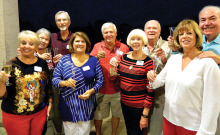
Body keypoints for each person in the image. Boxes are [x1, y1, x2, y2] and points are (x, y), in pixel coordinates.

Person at [147, 19, 220, 135]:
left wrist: (205, 132)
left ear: (197, 36)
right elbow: (158, 81)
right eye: (181, 34)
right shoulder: (174, 59)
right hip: (169, 119)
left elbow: (212, 103)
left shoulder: (208, 64)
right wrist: (151, 77)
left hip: (192, 126)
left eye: (189, 33)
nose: (184, 36)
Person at [0, 30, 52, 135]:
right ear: (19, 44)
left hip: (39, 113)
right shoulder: (10, 65)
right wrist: (1, 82)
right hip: (15, 116)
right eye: (23, 43)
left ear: (36, 46)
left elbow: (48, 86)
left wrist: (49, 105)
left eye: (31, 44)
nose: (27, 46)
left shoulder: (42, 63)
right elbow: (2, 95)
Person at [52, 32, 104, 135]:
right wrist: (64, 82)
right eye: (77, 41)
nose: (80, 44)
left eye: (82, 41)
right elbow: (55, 79)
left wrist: (91, 91)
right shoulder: (64, 60)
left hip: (86, 103)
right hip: (68, 103)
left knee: (84, 131)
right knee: (70, 131)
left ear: (86, 44)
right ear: (72, 44)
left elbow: (100, 80)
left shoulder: (93, 60)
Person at [109, 29, 154, 135]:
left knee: (137, 132)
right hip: (124, 103)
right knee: (129, 130)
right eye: (133, 39)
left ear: (143, 41)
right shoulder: (123, 58)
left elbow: (151, 90)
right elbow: (114, 79)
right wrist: (112, 68)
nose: (135, 42)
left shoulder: (148, 62)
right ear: (129, 41)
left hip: (139, 107)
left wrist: (145, 115)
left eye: (139, 39)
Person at [90, 22, 130, 135]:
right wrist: (96, 57)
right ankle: (98, 133)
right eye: (106, 32)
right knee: (98, 115)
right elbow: (88, 63)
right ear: (102, 34)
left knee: (116, 114)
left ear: (116, 33)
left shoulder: (124, 47)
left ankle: (114, 133)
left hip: (117, 89)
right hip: (100, 88)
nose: (109, 34)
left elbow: (128, 66)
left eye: (111, 32)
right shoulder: (97, 46)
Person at [143, 20, 171, 135]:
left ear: (159, 31)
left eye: (154, 28)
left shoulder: (168, 46)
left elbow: (175, 69)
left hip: (161, 93)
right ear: (144, 31)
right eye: (148, 28)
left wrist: (164, 60)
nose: (151, 30)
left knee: (156, 127)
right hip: (142, 93)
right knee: (142, 125)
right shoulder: (139, 46)